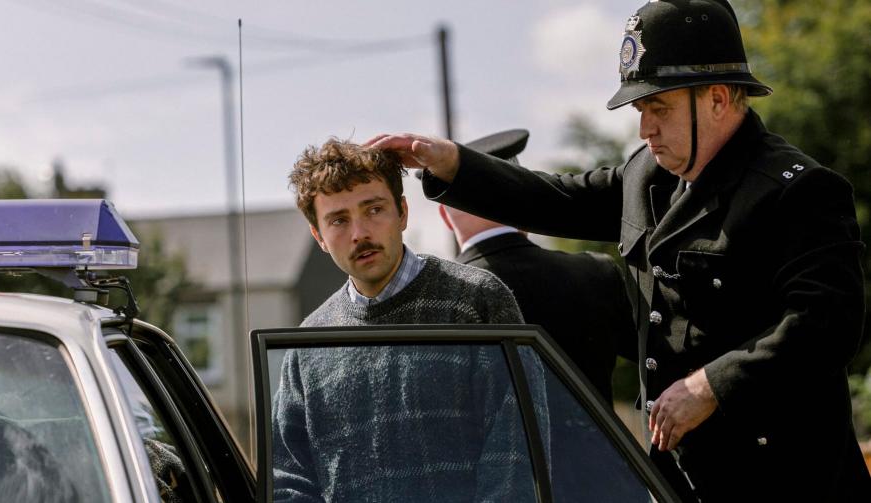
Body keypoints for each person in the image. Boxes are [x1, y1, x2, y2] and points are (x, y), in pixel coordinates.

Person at [368, 0, 871, 501]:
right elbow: (557, 199)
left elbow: (828, 322)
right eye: (640, 111)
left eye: (659, 108)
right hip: (685, 478)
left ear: (717, 99)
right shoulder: (648, 176)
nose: (645, 129)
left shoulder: (797, 190)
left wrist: (711, 385)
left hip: (789, 480)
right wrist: (452, 163)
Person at [274, 138, 539, 502]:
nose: (359, 233)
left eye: (374, 209)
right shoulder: (309, 342)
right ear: (319, 236)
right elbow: (287, 478)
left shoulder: (475, 300)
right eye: (339, 220)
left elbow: (515, 454)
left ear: (402, 212)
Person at [439, 128, 636, 402]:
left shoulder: (439, 296)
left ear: (445, 217)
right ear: (522, 193)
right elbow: (661, 359)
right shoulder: (597, 273)